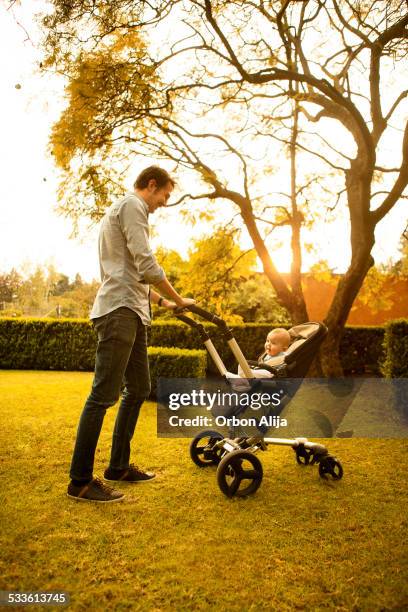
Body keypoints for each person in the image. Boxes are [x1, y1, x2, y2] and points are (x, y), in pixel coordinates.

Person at [67, 166, 194, 503]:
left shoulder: (125, 210)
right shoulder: (133, 206)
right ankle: (79, 481)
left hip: (133, 311)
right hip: (119, 312)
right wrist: (180, 298)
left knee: (138, 387)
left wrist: (165, 302)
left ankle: (118, 466)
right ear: (151, 185)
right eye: (165, 195)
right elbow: (146, 262)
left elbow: (133, 273)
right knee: (102, 396)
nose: (164, 203)